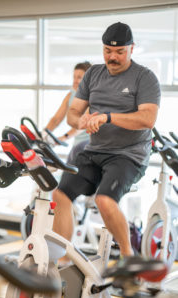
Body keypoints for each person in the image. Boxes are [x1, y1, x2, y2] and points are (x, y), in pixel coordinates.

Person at [52, 22, 161, 263]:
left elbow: (147, 119)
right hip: (94, 151)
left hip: (128, 155)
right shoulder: (93, 74)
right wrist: (83, 120)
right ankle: (63, 261)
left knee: (104, 200)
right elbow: (73, 114)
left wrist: (108, 117)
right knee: (60, 195)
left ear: (132, 48)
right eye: (107, 51)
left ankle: (127, 258)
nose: (112, 57)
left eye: (119, 52)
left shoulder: (145, 77)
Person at [42, 61, 92, 149]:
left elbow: (82, 125)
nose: (75, 81)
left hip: (90, 144)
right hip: (77, 144)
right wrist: (44, 133)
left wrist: (64, 137)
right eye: (74, 77)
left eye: (79, 77)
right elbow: (56, 119)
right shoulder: (71, 95)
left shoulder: (93, 97)